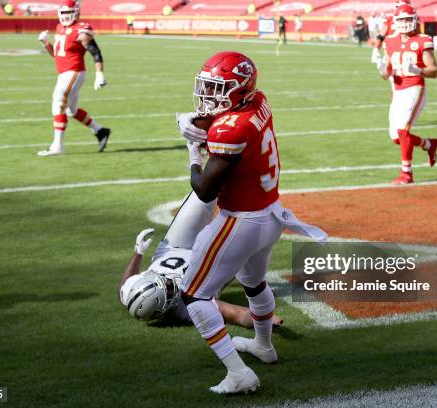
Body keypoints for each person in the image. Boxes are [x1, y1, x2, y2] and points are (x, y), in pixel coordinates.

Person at [177, 51, 326, 393]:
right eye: (207, 86)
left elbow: (203, 189)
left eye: (218, 88)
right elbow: (230, 124)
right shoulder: (258, 100)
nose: (208, 95)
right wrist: (204, 127)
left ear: (238, 90)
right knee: (254, 284)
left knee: (194, 295)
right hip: (271, 214)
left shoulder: (230, 129)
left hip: (241, 221)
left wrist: (193, 151)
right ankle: (264, 346)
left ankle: (238, 373)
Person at [118, 192, 283, 327]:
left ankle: (221, 157)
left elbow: (125, 285)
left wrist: (138, 252)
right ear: (166, 304)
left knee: (204, 194)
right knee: (254, 231)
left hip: (175, 246)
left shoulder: (135, 293)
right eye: (167, 287)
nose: (167, 280)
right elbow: (237, 314)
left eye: (160, 280)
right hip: (213, 260)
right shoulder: (191, 307)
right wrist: (265, 320)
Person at [36, 0, 110, 157]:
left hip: (73, 72)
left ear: (76, 13)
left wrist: (100, 74)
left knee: (58, 103)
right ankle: (101, 131)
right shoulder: (60, 28)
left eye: (69, 13)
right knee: (71, 110)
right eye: (63, 13)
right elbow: (57, 55)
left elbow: (96, 53)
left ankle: (57, 146)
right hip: (65, 72)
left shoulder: (81, 31)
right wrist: (45, 43)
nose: (66, 17)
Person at [379, 4, 437, 184]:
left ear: (414, 20)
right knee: (397, 137)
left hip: (414, 88)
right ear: (395, 22)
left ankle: (407, 173)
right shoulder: (390, 41)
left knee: (403, 131)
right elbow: (387, 70)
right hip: (397, 90)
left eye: (407, 19)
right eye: (401, 19)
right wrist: (383, 71)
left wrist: (418, 70)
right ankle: (429, 144)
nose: (405, 23)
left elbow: (434, 71)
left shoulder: (423, 40)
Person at [371, 0, 410, 66]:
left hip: (407, 48)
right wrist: (375, 49)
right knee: (387, 70)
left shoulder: (412, 18)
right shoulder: (390, 18)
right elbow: (381, 35)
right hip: (391, 48)